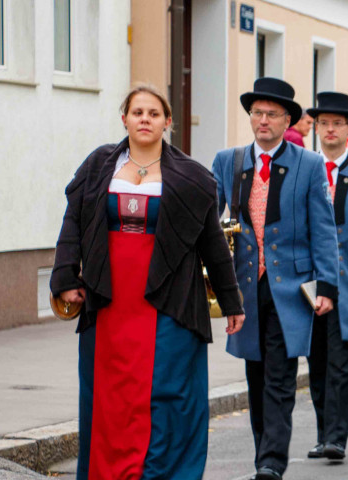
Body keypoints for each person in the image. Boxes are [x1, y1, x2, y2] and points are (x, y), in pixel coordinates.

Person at [50, 85, 244, 480]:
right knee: (110, 398)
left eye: (154, 113)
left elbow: (211, 244)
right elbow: (73, 224)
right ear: (124, 118)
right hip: (108, 299)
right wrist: (67, 277)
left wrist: (232, 301)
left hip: (168, 298)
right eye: (137, 112)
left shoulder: (193, 177)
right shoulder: (98, 166)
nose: (144, 119)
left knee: (169, 394)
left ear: (167, 122)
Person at [211, 77, 339, 480]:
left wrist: (327, 287)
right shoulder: (227, 161)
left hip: (291, 287)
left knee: (281, 376)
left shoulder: (310, 164)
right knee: (255, 373)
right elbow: (210, 224)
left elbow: (323, 229)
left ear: (288, 121)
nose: (263, 120)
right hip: (245, 286)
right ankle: (263, 453)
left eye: (272, 114)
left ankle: (271, 462)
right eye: (257, 113)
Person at [300, 92, 348, 463]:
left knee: (341, 363)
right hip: (310, 285)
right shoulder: (304, 170)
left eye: (337, 123)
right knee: (316, 363)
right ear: (315, 128)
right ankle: (322, 434)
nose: (329, 130)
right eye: (323, 123)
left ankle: (337, 438)